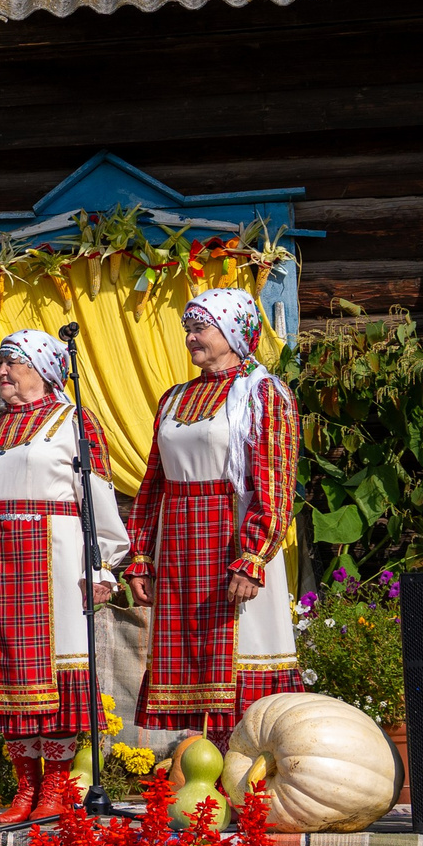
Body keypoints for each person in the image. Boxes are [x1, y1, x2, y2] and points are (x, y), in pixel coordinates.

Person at [0, 330, 131, 823]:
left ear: (44, 367)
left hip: (54, 562)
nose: (4, 371)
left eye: (15, 362)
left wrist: (100, 565)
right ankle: (23, 789)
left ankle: (55, 790)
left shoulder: (72, 422)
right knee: (8, 674)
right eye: (0, 362)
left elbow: (94, 496)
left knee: (54, 674)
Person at [122, 288, 307, 745]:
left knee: (241, 646)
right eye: (188, 328)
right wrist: (141, 555)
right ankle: (204, 765)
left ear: (231, 331)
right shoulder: (173, 398)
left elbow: (276, 478)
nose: (191, 338)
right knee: (189, 653)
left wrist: (254, 555)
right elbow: (153, 484)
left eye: (200, 327)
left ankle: (246, 765)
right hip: (181, 539)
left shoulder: (263, 392)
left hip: (231, 536)